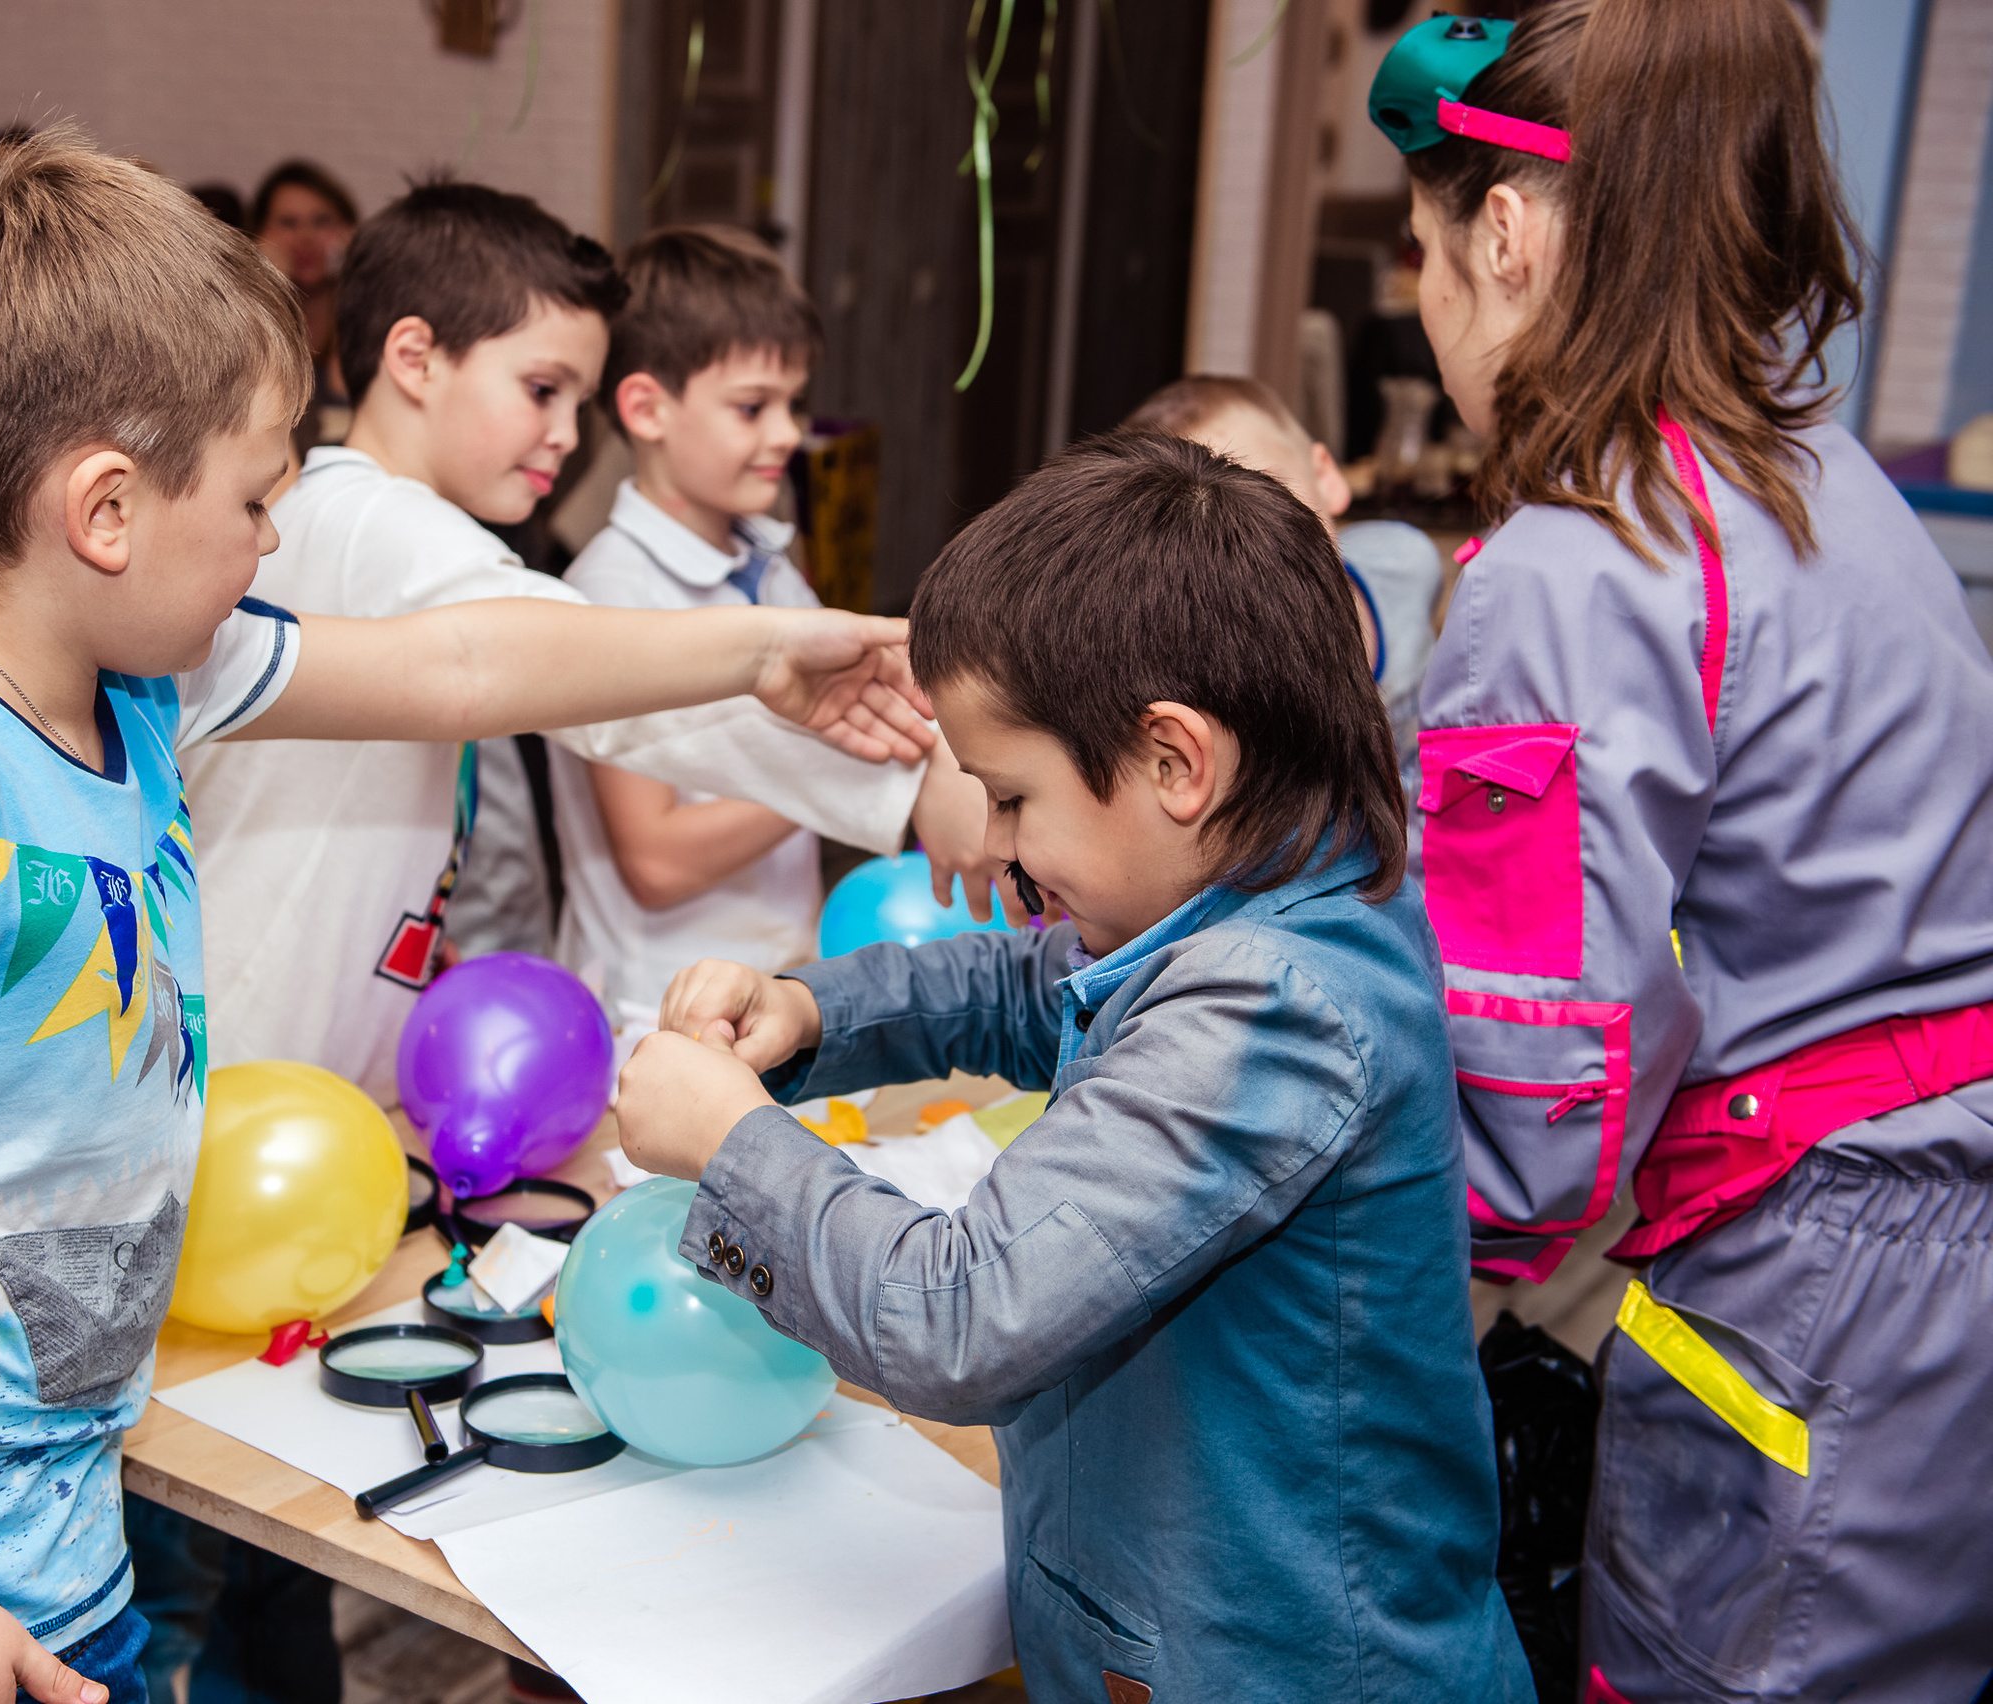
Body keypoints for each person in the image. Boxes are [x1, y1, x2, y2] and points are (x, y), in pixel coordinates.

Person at [0, 128, 925, 1704]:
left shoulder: (139, 673)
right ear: (106, 513)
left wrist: (755, 656)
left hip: (39, 1538)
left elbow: (459, 668)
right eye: (257, 499)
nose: (278, 543)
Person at [617, 429, 1533, 1702]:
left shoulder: (1277, 1004)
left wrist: (729, 1143)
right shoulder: (1246, 903)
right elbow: (1021, 983)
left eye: (1010, 798)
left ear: (1174, 762)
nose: (990, 846)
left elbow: (958, 1317)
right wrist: (807, 1012)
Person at [1367, 5, 1993, 1698]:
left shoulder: (1572, 563)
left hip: (1819, 1272)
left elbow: (1532, 1076)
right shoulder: (1828, 487)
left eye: (1423, 257)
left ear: (1499, 233)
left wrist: (1377, 1303)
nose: (1432, 315)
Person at [184, 179, 987, 1106]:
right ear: (416, 358)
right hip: (257, 1049)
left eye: (580, 401)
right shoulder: (366, 515)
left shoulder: (381, 522)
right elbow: (569, 676)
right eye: (540, 390)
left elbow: (601, 700)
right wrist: (906, 769)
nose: (568, 435)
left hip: (318, 1054)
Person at [553, 224, 997, 1014]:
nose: (787, 434)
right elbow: (655, 863)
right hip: (655, 1006)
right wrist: (856, 767)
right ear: (647, 409)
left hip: (776, 974)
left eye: (793, 403)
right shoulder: (609, 593)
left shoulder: (773, 564)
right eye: (752, 407)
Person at [1124, 373, 1443, 787]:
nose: (1254, 541)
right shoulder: (1231, 691)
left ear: (1326, 478)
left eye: (1271, 491)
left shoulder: (1405, 562)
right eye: (1201, 531)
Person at [247, 160, 360, 440]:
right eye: (288, 223)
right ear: (260, 233)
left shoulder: (363, 314)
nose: (305, 238)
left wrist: (358, 272)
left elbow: (344, 394)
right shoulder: (243, 317)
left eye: (321, 222)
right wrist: (265, 283)